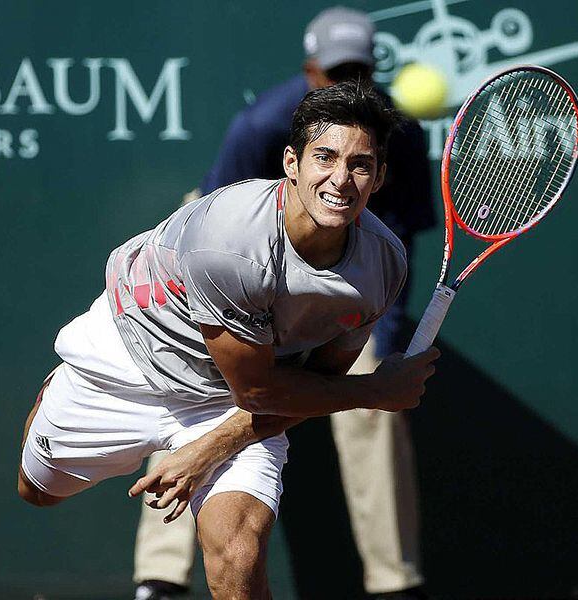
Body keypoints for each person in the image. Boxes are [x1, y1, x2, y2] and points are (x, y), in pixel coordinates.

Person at [17, 81, 440, 600]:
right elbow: (261, 392)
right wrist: (376, 391)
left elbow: (316, 385)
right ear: (291, 163)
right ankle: (55, 396)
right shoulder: (233, 243)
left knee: (238, 553)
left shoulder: (381, 264)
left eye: (360, 165)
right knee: (37, 492)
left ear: (380, 177)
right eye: (324, 157)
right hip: (131, 357)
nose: (340, 179)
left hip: (227, 395)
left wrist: (205, 450)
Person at [133, 7, 435, 600]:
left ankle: (394, 582)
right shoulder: (263, 125)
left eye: (358, 70)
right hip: (236, 269)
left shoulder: (397, 133)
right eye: (336, 72)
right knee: (196, 393)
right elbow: (216, 228)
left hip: (342, 273)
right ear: (311, 70)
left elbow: (395, 238)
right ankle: (160, 576)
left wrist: (381, 332)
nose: (348, 82)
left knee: (375, 401)